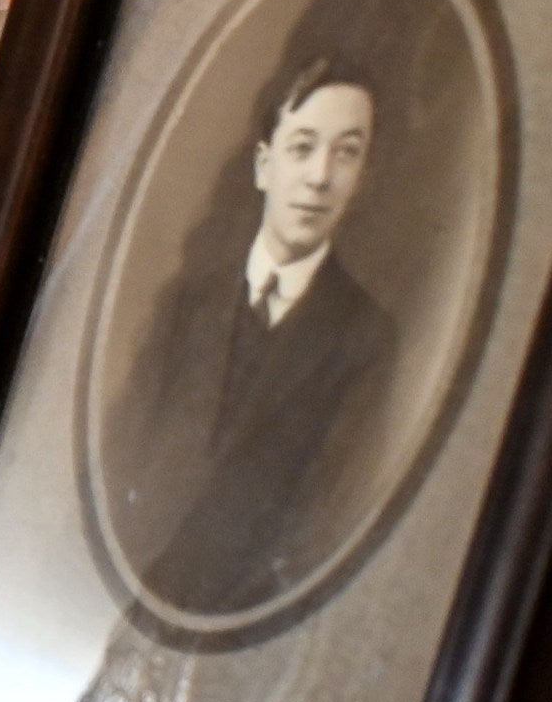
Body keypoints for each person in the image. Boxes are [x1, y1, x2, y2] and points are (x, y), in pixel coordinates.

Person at [105, 54, 397, 621]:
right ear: (264, 165)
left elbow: (333, 512)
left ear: (361, 179)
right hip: (133, 591)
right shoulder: (187, 301)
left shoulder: (367, 337)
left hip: (252, 618)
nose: (319, 176)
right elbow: (123, 444)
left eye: (347, 153)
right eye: (303, 146)